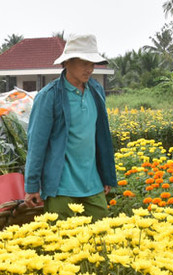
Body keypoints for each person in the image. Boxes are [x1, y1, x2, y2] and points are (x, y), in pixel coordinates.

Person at [24, 33, 117, 221]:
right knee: (61, 245)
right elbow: (36, 144)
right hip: (61, 188)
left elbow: (102, 136)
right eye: (84, 63)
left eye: (92, 63)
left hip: (92, 185)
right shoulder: (49, 97)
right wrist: (32, 186)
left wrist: (106, 175)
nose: (89, 69)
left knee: (102, 240)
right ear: (67, 63)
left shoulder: (96, 91)